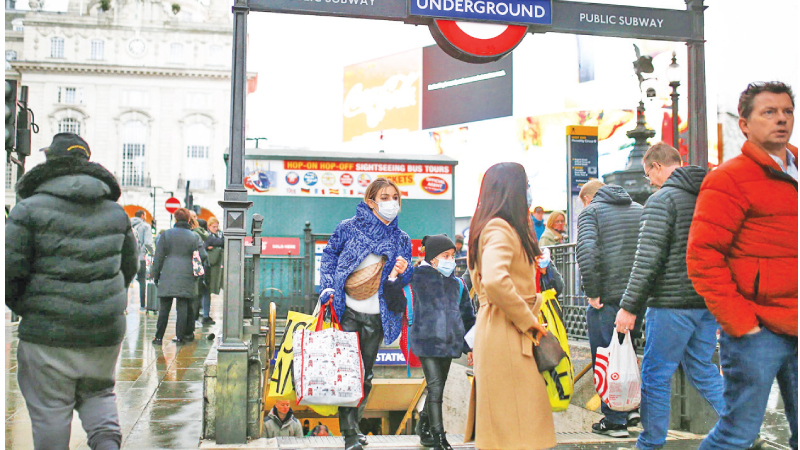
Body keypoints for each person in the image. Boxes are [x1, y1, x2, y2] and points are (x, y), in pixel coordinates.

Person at [5, 133, 138, 450]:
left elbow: (9, 271)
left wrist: (29, 307)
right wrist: (104, 302)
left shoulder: (28, 210)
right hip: (103, 330)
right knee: (99, 394)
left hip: (48, 333)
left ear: (50, 161)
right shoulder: (115, 213)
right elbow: (128, 268)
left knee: (50, 410)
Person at [688, 82, 797, 450]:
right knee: (737, 435)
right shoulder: (729, 178)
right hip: (758, 330)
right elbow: (703, 257)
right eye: (769, 112)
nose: (781, 119)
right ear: (745, 124)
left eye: (786, 111)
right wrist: (741, 324)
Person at [615, 143, 725, 450]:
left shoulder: (662, 199)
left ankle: (650, 443)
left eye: (648, 173)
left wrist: (629, 306)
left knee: (655, 374)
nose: (649, 180)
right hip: (706, 302)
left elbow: (648, 258)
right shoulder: (710, 196)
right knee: (702, 368)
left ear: (657, 166)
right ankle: (742, 426)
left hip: (671, 305)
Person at [464, 162, 555, 450]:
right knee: (518, 427)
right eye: (526, 185)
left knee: (513, 424)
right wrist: (529, 321)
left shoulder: (492, 226)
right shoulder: (500, 228)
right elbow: (495, 280)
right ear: (512, 189)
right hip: (508, 331)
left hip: (501, 329)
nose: (529, 192)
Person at [318, 177, 412, 450]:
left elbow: (405, 279)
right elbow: (329, 256)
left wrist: (404, 271)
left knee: (366, 376)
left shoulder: (400, 238)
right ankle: (348, 436)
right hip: (348, 311)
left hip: (378, 316)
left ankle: (354, 426)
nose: (391, 203)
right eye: (384, 197)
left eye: (395, 197)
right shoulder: (348, 228)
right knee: (347, 374)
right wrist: (327, 286)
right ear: (371, 201)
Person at [575, 179, 643, 437]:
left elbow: (587, 252)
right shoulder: (639, 209)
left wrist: (593, 292)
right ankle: (632, 409)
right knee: (629, 354)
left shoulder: (591, 212)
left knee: (606, 356)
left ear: (589, 198)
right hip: (637, 299)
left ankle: (615, 420)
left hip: (607, 299)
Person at [407, 234, 476, 450]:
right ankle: (439, 438)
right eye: (445, 255)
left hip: (449, 343)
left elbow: (468, 316)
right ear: (433, 258)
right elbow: (395, 294)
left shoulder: (458, 284)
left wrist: (470, 347)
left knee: (437, 387)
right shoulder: (416, 277)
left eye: (452, 255)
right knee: (436, 388)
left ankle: (423, 426)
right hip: (426, 342)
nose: (451, 260)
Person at [151, 207, 208, 345]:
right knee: (182, 307)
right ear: (189, 219)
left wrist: (156, 275)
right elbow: (203, 255)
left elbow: (158, 257)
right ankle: (180, 337)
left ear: (175, 219)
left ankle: (158, 337)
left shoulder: (166, 234)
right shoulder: (194, 236)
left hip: (168, 273)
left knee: (164, 307)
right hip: (187, 274)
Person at [131, 209, 154, 311]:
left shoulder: (128, 225)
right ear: (142, 216)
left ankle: (123, 307)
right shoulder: (145, 226)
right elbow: (148, 243)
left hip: (129, 259)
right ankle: (142, 305)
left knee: (126, 283)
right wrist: (150, 253)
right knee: (142, 281)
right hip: (140, 258)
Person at [190, 216, 211, 329]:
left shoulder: (168, 235)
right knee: (197, 296)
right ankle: (193, 323)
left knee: (185, 300)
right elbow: (203, 255)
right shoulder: (198, 236)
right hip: (198, 270)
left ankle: (184, 330)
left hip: (182, 271)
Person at [204, 217, 224, 324]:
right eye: (213, 227)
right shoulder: (206, 235)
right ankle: (204, 314)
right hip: (207, 266)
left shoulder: (219, 234)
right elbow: (208, 243)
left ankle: (205, 314)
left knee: (209, 290)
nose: (216, 229)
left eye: (217, 226)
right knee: (206, 290)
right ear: (209, 226)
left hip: (214, 266)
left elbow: (221, 242)